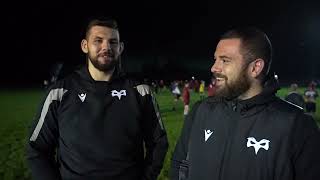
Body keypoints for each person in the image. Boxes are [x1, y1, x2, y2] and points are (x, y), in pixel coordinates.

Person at [27, 18, 168, 180]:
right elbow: (36, 148)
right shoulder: (60, 93)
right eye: (98, 41)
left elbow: (159, 143)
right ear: (85, 46)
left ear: (120, 48)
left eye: (113, 42)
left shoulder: (141, 92)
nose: (106, 47)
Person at [170, 27, 320, 180]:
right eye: (215, 59)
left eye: (225, 60)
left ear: (255, 68)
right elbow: (179, 165)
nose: (214, 67)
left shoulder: (297, 126)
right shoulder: (200, 111)